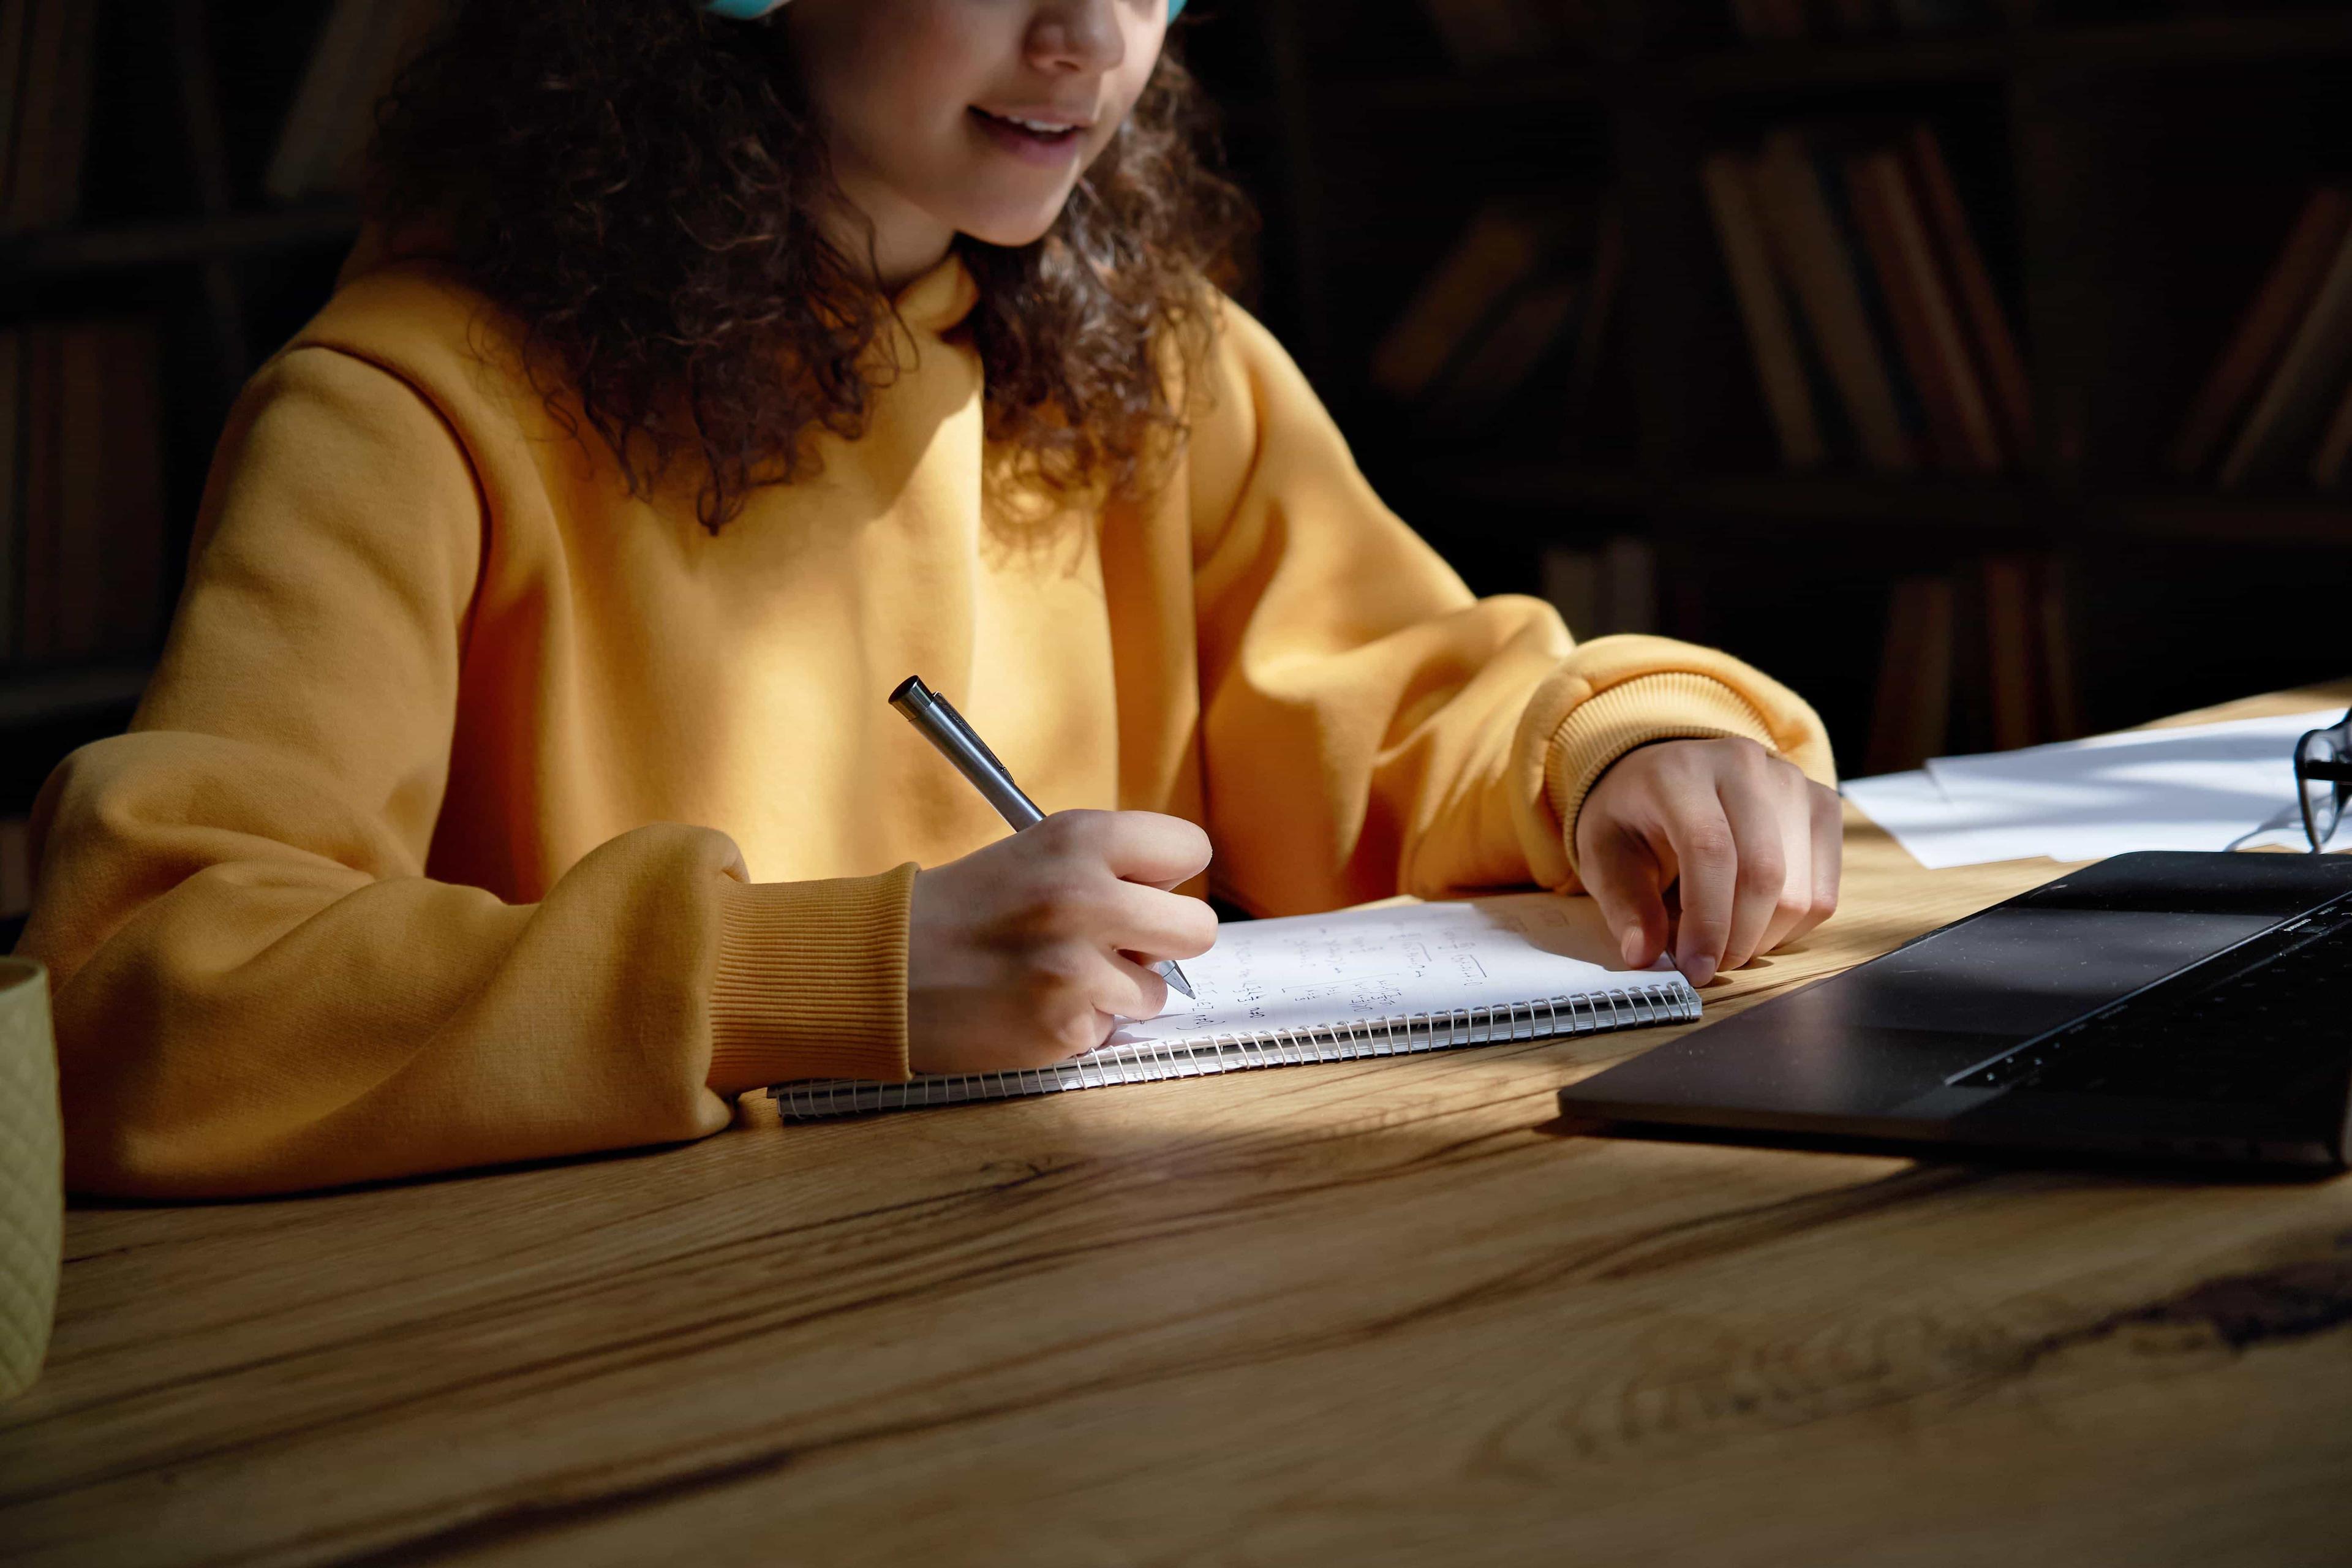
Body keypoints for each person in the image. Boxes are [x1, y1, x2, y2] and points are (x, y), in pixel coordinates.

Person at [18, 0, 1839, 1197]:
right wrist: (843, 974)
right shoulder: (405, 411)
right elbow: (147, 995)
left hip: (1100, 1305)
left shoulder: (1165, 361)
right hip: (612, 1367)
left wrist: (1622, 751)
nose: (1092, 37)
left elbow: (1398, 694)